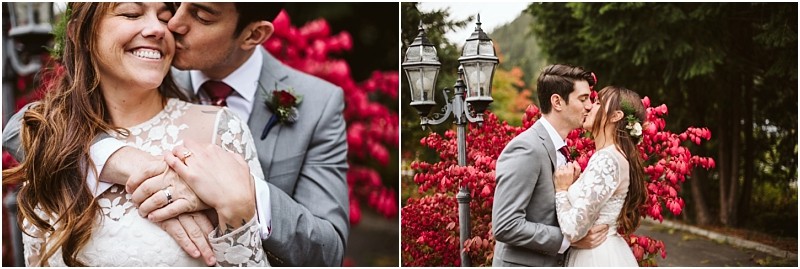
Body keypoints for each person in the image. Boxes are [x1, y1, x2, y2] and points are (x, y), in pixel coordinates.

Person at [4, 2, 349, 266]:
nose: (171, 24)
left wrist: (239, 193)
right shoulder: (139, 72)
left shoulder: (313, 105)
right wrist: (127, 159)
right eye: (176, 5)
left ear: (253, 35)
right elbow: (23, 127)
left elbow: (328, 248)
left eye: (201, 15)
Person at [491, 64, 609, 266]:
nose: (589, 106)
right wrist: (569, 240)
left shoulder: (561, 148)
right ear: (557, 102)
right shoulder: (527, 148)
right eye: (583, 99)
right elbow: (505, 225)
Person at [553, 86, 646, 266]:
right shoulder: (611, 156)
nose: (589, 107)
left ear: (615, 116)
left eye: (597, 103)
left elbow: (572, 229)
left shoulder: (607, 159)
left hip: (595, 257)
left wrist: (562, 190)